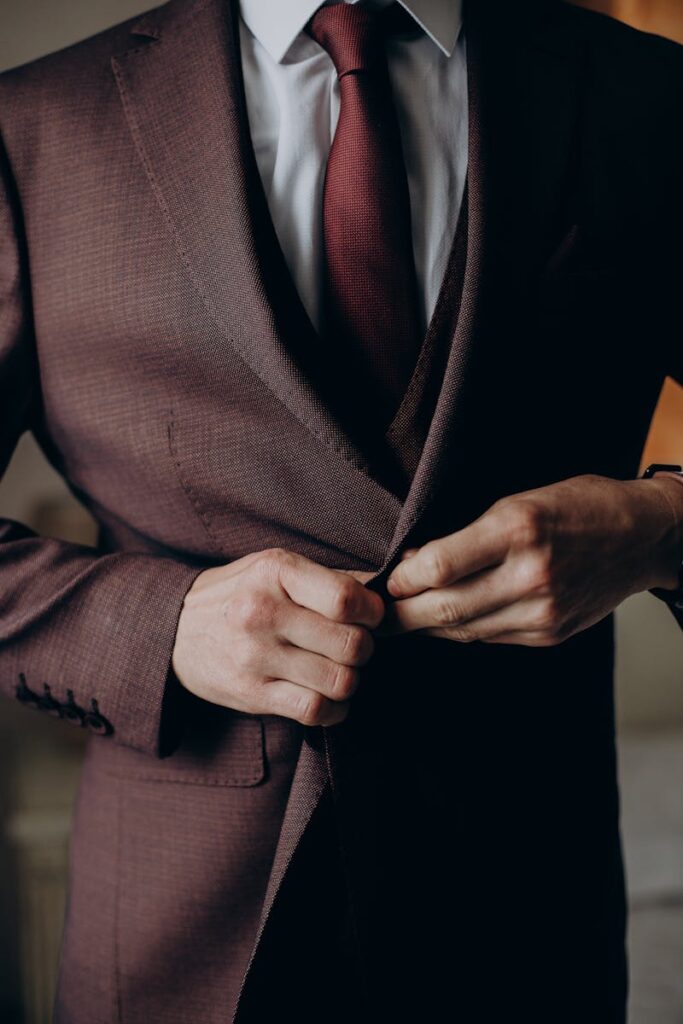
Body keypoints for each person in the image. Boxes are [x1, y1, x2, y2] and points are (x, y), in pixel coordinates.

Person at [0, 0, 681, 1020]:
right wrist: (160, 626)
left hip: (529, 912)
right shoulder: (33, 125)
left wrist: (660, 529)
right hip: (180, 931)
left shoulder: (647, 93)